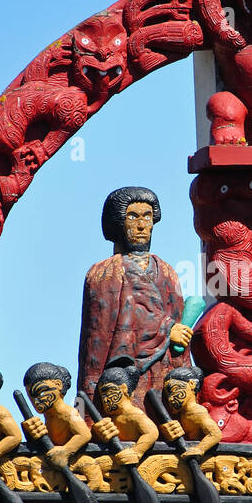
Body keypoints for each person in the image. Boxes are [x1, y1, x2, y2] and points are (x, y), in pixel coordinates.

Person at [78, 186, 193, 406]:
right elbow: (101, 337)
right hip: (122, 376)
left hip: (163, 372)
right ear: (118, 221)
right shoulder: (104, 272)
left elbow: (180, 327)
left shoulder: (167, 271)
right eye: (133, 217)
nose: (141, 225)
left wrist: (180, 335)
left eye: (147, 217)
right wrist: (168, 330)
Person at [21, 362, 102, 489]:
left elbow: (84, 434)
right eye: (31, 397)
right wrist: (30, 433)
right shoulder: (48, 418)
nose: (36, 401)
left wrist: (66, 450)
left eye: (40, 392)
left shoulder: (68, 413)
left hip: (74, 462)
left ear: (58, 385)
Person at [91, 362, 159, 467]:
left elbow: (152, 432)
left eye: (109, 392)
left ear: (124, 389)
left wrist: (136, 452)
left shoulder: (134, 414)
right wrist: (97, 432)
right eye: (102, 394)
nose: (105, 399)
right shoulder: (111, 418)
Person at [161, 367, 222, 459]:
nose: (170, 398)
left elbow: (215, 434)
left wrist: (199, 449)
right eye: (168, 394)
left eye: (174, 389)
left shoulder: (198, 412)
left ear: (192, 384)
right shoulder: (180, 414)